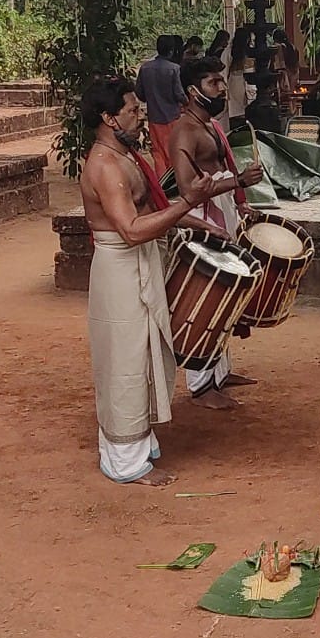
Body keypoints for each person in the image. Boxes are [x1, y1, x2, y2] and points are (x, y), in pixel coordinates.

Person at [79, 76, 215, 484]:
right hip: (120, 271)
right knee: (125, 360)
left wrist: (196, 220)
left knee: (145, 351)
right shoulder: (104, 166)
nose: (140, 117)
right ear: (108, 117)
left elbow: (157, 207)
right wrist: (190, 202)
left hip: (137, 264)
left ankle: (140, 441)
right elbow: (133, 230)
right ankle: (125, 460)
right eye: (132, 111)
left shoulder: (127, 157)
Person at [168, 55, 264, 409]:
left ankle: (220, 373)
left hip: (221, 210)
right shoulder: (184, 130)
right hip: (201, 217)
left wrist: (240, 201)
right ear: (194, 91)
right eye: (214, 83)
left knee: (227, 298)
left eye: (222, 82)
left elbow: (221, 166)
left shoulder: (210, 124)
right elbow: (187, 186)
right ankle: (201, 385)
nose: (222, 88)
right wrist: (237, 182)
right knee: (207, 297)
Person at [133, 36, 186, 178]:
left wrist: (150, 99)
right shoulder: (174, 69)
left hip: (154, 117)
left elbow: (139, 92)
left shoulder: (145, 68)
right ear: (172, 51)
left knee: (158, 152)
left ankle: (162, 183)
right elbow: (179, 93)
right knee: (173, 151)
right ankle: (174, 181)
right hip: (172, 116)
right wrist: (187, 103)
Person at [226, 24, 256, 128]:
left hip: (245, 81)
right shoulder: (230, 51)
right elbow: (224, 70)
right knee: (238, 110)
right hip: (236, 82)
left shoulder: (249, 51)